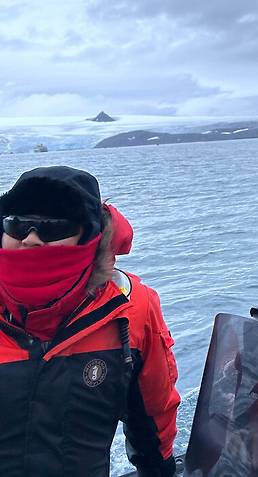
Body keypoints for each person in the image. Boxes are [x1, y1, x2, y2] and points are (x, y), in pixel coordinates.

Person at [0, 165, 180, 477]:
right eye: (17, 225)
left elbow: (153, 413)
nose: (30, 240)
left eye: (53, 228)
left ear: (90, 236)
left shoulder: (131, 308)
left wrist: (158, 471)